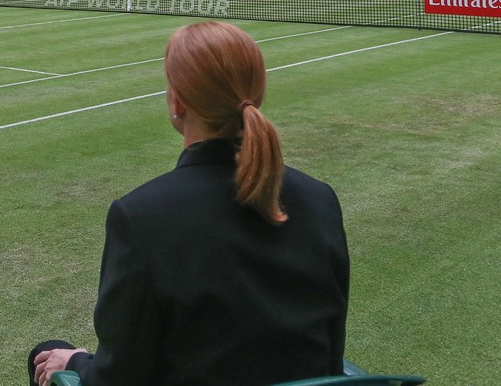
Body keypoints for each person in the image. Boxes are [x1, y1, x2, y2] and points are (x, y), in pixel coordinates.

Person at [28, 21, 348, 386]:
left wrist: (77, 362)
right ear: (256, 95)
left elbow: (119, 377)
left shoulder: (142, 216)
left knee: (47, 353)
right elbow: (330, 355)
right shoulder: (320, 198)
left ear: (177, 102)